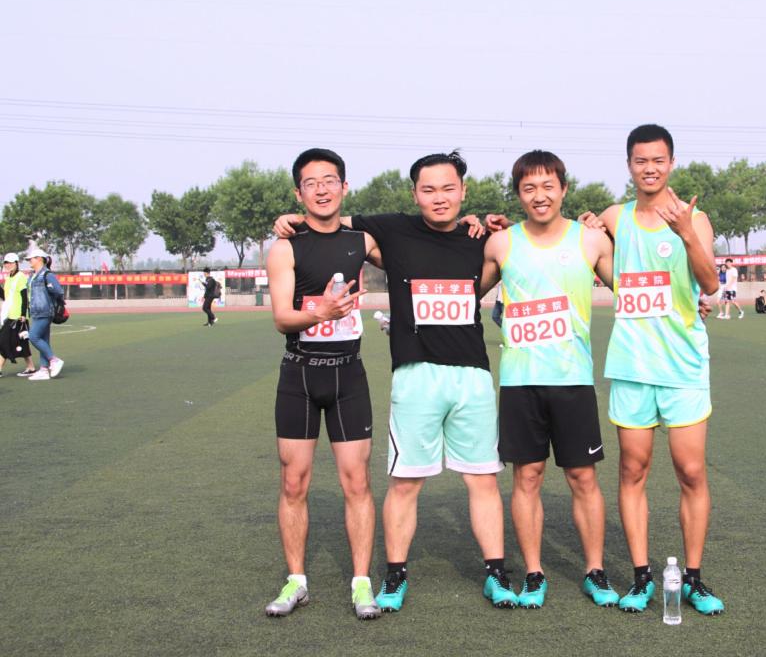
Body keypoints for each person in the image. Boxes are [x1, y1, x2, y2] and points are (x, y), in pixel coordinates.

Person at [275, 151, 516, 612]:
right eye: (429, 189)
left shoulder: (481, 238)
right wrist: (291, 219)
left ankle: (496, 574)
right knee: (405, 483)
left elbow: (502, 265)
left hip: (472, 375)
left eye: (448, 189)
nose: (439, 197)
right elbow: (330, 220)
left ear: (463, 191)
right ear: (414, 194)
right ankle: (394, 576)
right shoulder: (392, 229)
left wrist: (496, 224)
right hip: (414, 375)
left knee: (483, 479)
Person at [587, 124, 724, 616]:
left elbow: (710, 284)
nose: (650, 168)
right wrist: (586, 222)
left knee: (691, 470)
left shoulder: (695, 219)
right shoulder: (615, 217)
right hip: (632, 365)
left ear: (672, 163)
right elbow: (591, 256)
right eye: (641, 160)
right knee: (632, 469)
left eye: (658, 160)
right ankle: (641, 576)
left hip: (683, 364)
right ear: (629, 165)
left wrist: (686, 234)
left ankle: (694, 578)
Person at [479, 150, 620, 609]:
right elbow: (465, 290)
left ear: (563, 188)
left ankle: (594, 571)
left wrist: (690, 297)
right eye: (528, 188)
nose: (539, 196)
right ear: (518, 194)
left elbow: (633, 288)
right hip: (519, 382)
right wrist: (470, 229)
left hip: (572, 380)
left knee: (583, 477)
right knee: (528, 477)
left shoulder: (591, 241)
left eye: (547, 186)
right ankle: (534, 572)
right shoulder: (502, 244)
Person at [263, 148, 382, 619]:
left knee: (357, 481)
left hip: (348, 374)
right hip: (299, 374)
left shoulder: (362, 240)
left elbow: (415, 249)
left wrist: (471, 224)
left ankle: (361, 583)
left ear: (344, 187)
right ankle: (296, 581)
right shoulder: (285, 247)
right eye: (311, 183)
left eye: (330, 180)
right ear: (299, 193)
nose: (322, 189)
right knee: (293, 482)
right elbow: (281, 318)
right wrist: (322, 312)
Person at [24, 244, 64, 381]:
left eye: (31, 259)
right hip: (35, 312)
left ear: (39, 259)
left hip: (45, 311)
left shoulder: (47, 274)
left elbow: (58, 291)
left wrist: (50, 301)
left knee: (33, 337)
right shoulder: (32, 276)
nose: (29, 261)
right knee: (44, 340)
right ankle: (44, 370)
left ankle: (54, 360)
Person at [0, 253, 37, 377]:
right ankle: (31, 367)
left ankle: (31, 367)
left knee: (6, 341)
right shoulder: (9, 278)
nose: (8, 265)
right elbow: (5, 296)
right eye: (6, 263)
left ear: (16, 263)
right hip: (10, 315)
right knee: (14, 342)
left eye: (11, 263)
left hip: (18, 317)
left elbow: (24, 297)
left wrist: (23, 315)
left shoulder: (20, 277)